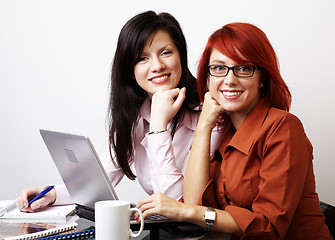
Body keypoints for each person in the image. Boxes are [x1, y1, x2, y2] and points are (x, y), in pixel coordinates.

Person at [135, 22, 332, 239]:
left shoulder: (283, 127)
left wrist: (183, 211)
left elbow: (269, 228)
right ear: (207, 76)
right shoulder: (225, 131)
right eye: (219, 68)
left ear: (262, 78)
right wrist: (204, 126)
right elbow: (195, 203)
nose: (229, 80)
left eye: (244, 69)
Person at [16, 11, 221, 211]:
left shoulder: (210, 114)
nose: (157, 66)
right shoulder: (138, 114)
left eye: (166, 52)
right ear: (129, 70)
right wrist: (52, 195)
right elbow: (104, 176)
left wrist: (158, 127)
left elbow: (180, 205)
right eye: (142, 58)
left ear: (181, 57)